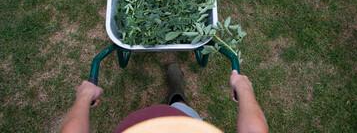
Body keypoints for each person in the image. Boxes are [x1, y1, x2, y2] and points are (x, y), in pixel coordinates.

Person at [61, 63, 268, 133]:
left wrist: (85, 94)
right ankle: (176, 93)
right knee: (180, 106)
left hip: (136, 126)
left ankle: (175, 95)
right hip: (183, 123)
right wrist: (243, 87)